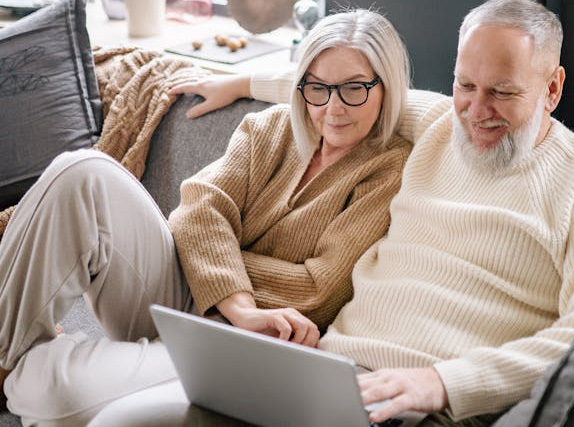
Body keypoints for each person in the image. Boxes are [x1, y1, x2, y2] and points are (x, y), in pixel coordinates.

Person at [136, 0, 574, 425]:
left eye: (503, 92)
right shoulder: (443, 123)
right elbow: (348, 89)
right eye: (466, 85)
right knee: (131, 418)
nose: (477, 110)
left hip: (426, 410)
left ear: (552, 88)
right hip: (319, 376)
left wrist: (445, 383)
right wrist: (241, 79)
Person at [0, 9, 412, 425]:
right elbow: (197, 206)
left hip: (240, 344)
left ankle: (22, 363)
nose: (333, 107)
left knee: (44, 387)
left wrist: (217, 262)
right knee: (82, 170)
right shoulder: (270, 127)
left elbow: (317, 288)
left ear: (387, 87)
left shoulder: (388, 170)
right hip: (180, 295)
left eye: (355, 89)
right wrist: (241, 303)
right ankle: (5, 353)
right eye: (318, 88)